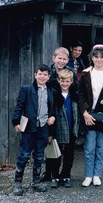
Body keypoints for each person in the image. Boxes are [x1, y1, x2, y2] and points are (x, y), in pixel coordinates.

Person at [11, 64, 56, 196]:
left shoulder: (51, 91)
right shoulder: (27, 89)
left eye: (45, 74)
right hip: (29, 127)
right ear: (35, 75)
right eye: (40, 74)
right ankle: (18, 183)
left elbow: (52, 110)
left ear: (48, 77)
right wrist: (15, 121)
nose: (42, 76)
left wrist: (51, 125)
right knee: (24, 154)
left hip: (43, 128)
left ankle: (36, 182)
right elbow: (19, 106)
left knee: (39, 155)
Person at [78, 44, 103, 187]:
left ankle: (97, 175)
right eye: (96, 57)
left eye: (102, 57)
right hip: (90, 115)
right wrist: (85, 113)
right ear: (92, 58)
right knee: (89, 147)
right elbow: (81, 95)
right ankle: (88, 175)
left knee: (101, 147)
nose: (99, 59)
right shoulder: (86, 73)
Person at [41, 47, 77, 182]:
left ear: (68, 60)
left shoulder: (70, 73)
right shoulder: (48, 73)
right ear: (54, 58)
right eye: (59, 58)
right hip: (53, 114)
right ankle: (49, 172)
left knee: (68, 149)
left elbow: (75, 92)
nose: (61, 61)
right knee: (52, 147)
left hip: (67, 113)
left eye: (64, 59)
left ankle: (65, 174)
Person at [48, 69, 80, 188]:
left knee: (69, 154)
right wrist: (50, 133)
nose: (65, 84)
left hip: (71, 129)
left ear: (71, 81)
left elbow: (77, 114)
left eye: (67, 81)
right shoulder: (54, 95)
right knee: (56, 154)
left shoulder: (74, 96)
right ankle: (55, 176)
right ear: (58, 81)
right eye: (62, 81)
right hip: (58, 130)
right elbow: (51, 113)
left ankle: (66, 175)